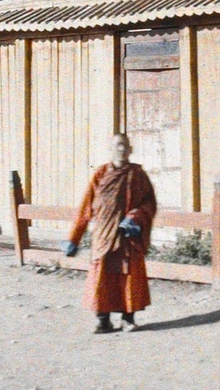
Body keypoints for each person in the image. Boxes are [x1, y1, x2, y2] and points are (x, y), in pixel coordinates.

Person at [64, 132, 157, 333]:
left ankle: (127, 318)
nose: (121, 149)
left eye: (125, 145)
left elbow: (150, 203)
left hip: (127, 236)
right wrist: (74, 238)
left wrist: (136, 217)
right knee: (102, 275)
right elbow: (85, 207)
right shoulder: (100, 175)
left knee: (128, 274)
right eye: (117, 145)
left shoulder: (138, 175)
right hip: (103, 235)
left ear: (130, 149)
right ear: (110, 149)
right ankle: (103, 319)